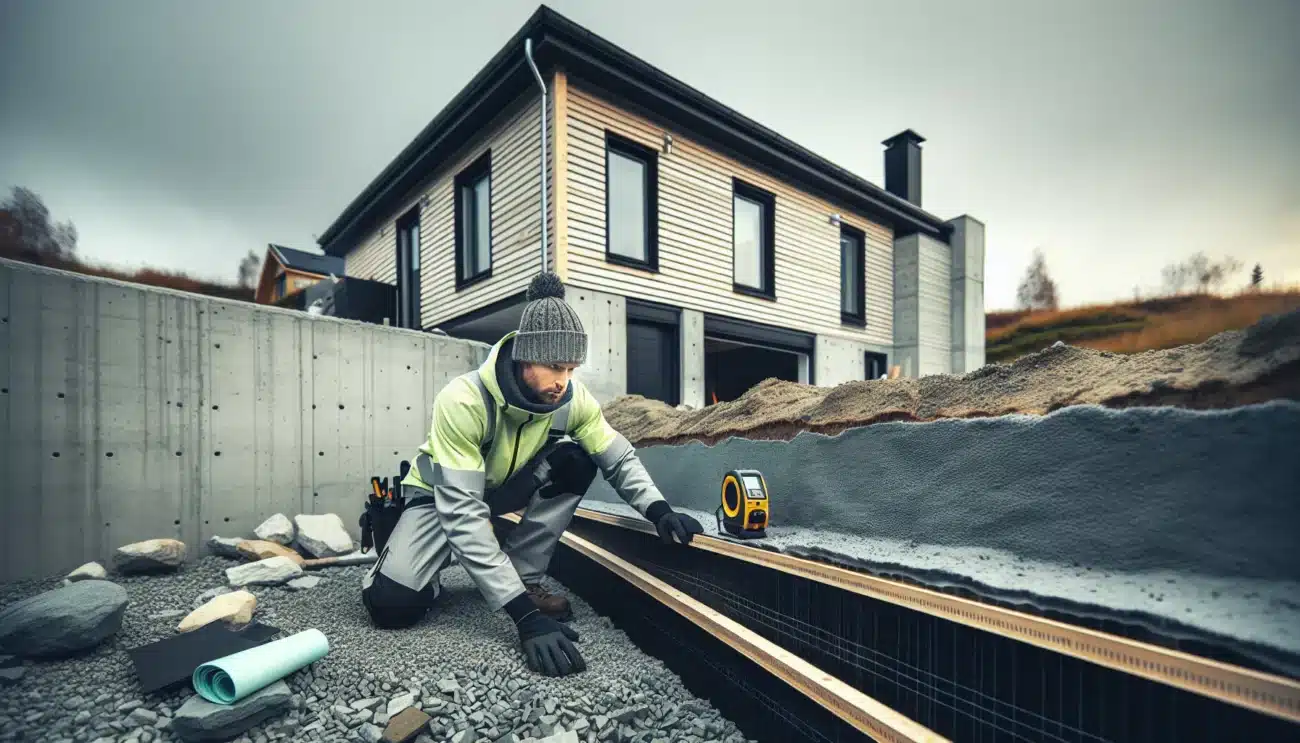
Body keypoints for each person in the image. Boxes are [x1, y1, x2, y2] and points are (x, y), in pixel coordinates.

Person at [361, 270, 704, 677]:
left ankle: (523, 578)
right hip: (439, 498)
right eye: (555, 366)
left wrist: (658, 509)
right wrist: (524, 618)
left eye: (571, 369)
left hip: (503, 489)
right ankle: (425, 574)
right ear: (525, 355)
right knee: (391, 606)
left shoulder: (571, 399)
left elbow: (616, 456)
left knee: (576, 460)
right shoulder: (464, 400)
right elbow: (462, 512)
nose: (563, 382)